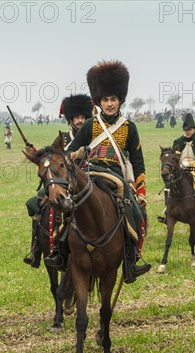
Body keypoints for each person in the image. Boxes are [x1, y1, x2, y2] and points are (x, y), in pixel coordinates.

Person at [58, 60, 151, 284]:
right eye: (105, 100)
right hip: (90, 173)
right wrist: (77, 153)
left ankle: (131, 259)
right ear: (99, 102)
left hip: (116, 176)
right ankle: (61, 252)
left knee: (135, 213)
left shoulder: (129, 128)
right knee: (67, 210)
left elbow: (138, 163)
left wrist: (140, 190)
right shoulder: (90, 125)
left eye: (113, 99)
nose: (109, 104)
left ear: (120, 100)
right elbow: (68, 152)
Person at [23, 94, 93, 268]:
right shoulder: (64, 138)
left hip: (88, 177)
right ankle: (36, 249)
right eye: (77, 117)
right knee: (35, 203)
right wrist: (35, 152)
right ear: (70, 119)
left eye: (83, 117)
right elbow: (52, 159)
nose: (80, 120)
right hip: (63, 180)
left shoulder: (93, 135)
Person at [159, 113, 195, 222]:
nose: (187, 131)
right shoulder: (178, 142)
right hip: (181, 172)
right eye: (186, 129)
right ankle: (167, 212)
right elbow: (173, 159)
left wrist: (190, 164)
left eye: (190, 129)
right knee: (168, 188)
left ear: (194, 129)